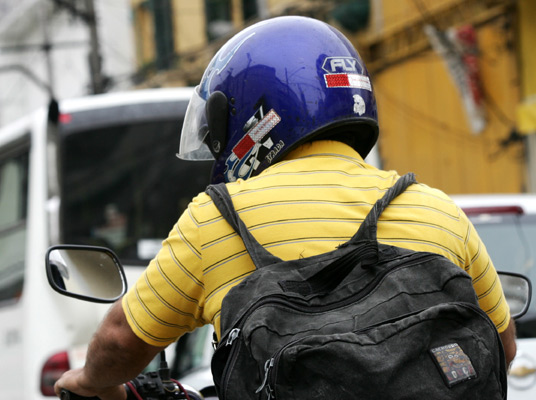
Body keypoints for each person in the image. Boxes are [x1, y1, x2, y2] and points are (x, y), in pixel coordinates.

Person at [54, 16, 516, 400]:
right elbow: (501, 346)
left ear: (251, 118)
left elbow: (121, 340)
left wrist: (89, 381)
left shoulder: (218, 220)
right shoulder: (435, 209)